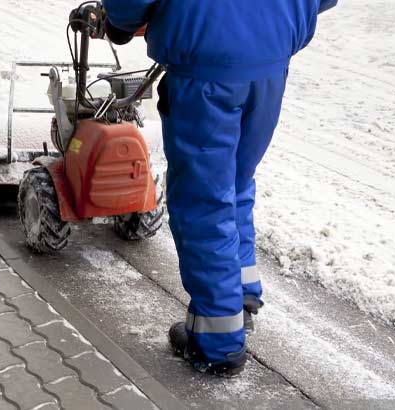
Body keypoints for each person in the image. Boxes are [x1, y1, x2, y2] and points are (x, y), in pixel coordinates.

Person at [102, 0, 338, 377]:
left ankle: (218, 343)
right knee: (235, 182)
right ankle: (240, 295)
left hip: (206, 67)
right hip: (271, 61)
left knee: (203, 201)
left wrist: (120, 23)